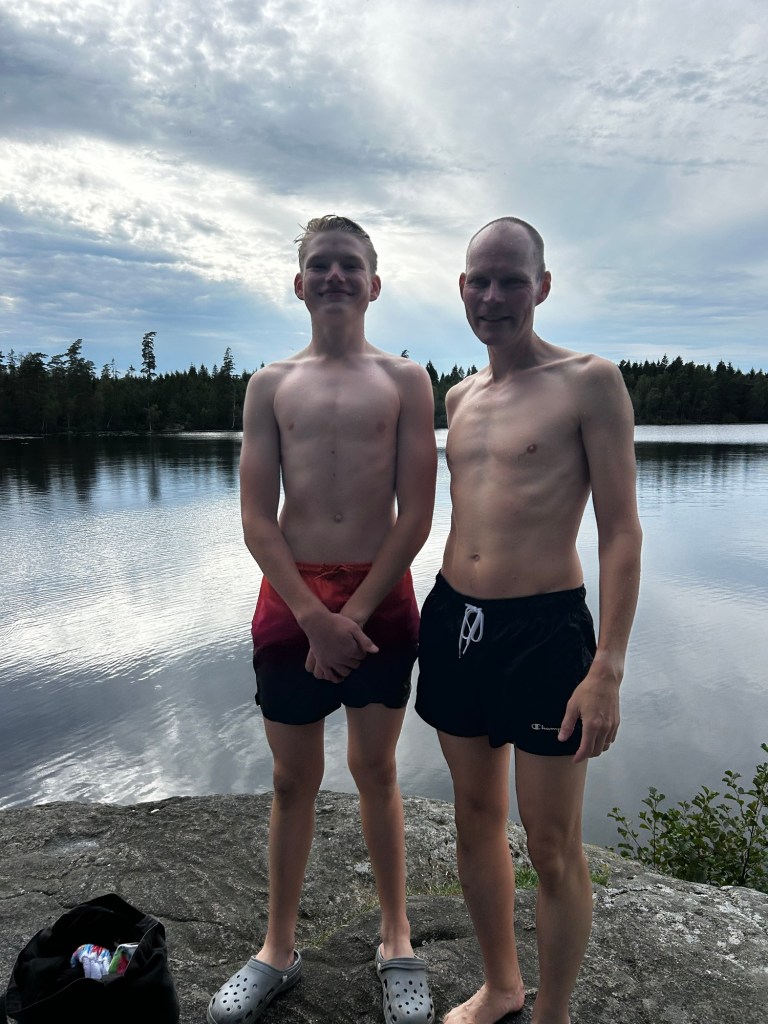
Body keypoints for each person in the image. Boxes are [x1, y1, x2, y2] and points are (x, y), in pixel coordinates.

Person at [207, 215, 437, 1024]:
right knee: (290, 779)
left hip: (381, 592)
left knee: (376, 770)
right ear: (299, 283)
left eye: (349, 265)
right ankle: (278, 948)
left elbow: (417, 514)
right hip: (292, 597)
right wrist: (313, 617)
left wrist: (355, 612)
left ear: (374, 283)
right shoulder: (270, 385)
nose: (334, 276)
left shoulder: (406, 380)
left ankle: (396, 939)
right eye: (320, 264)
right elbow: (255, 517)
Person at [415, 217, 642, 1024]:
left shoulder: (589, 382)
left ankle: (554, 1013)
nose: (493, 296)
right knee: (475, 819)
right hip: (456, 621)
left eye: (512, 279)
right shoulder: (459, 397)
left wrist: (607, 666)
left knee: (551, 844)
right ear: (462, 288)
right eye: (479, 280)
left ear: (541, 286)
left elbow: (621, 531)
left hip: (546, 635)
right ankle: (501, 987)